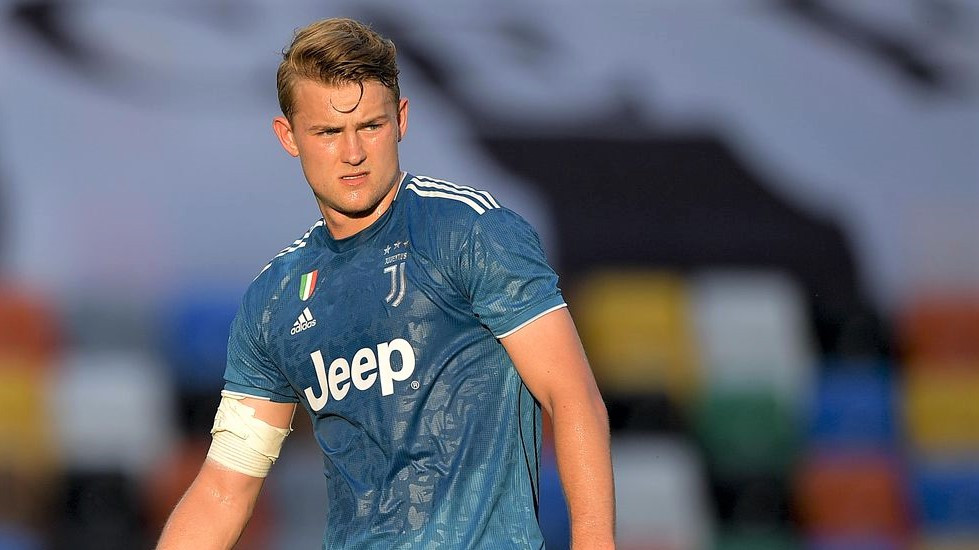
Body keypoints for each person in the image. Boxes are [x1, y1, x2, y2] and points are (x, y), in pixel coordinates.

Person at [157, 17, 614, 549]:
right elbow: (223, 488)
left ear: (401, 119)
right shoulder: (274, 299)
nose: (352, 152)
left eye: (369, 126)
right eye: (328, 132)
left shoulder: (472, 231)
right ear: (288, 136)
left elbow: (573, 397)